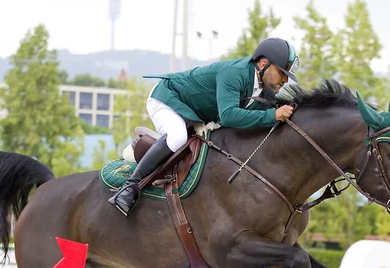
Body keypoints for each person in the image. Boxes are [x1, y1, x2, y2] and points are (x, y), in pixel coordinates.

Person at [108, 37, 300, 217]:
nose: (285, 80)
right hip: (168, 98)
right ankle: (129, 188)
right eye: (282, 72)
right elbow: (229, 115)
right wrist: (272, 115)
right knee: (177, 137)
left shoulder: (262, 88)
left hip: (195, 113)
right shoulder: (235, 73)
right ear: (263, 63)